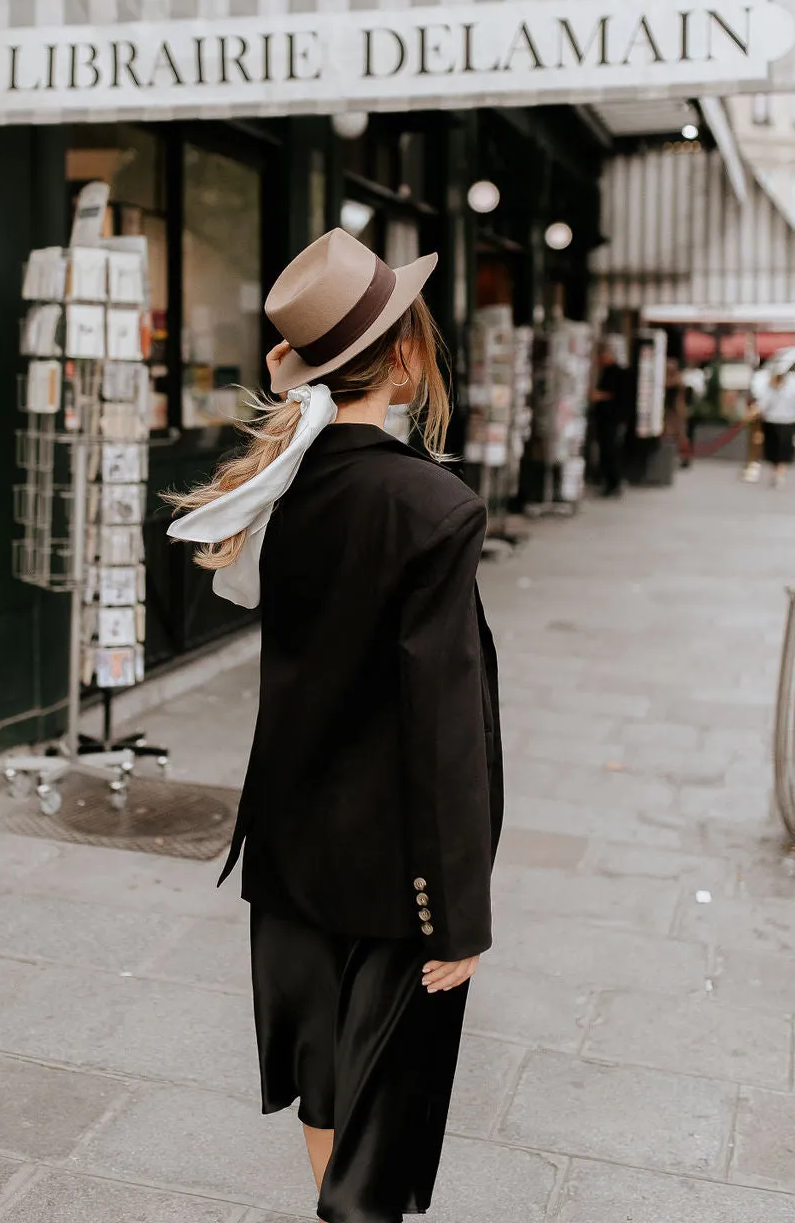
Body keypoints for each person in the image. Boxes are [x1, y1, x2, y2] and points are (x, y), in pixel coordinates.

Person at [166, 229, 503, 1223]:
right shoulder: (432, 507)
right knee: (376, 1147)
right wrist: (460, 912)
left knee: (325, 1088)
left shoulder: (279, 490)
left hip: (290, 851)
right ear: (406, 356)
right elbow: (443, 728)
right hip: (395, 875)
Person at [757, 363, 795, 487]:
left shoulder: (794, 384)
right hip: (774, 419)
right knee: (775, 448)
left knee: (783, 449)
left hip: (787, 420)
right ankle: (776, 471)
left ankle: (779, 473)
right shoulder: (770, 385)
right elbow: (764, 402)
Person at [591, 342, 629, 496]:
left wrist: (598, 396)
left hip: (611, 418)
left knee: (610, 450)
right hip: (606, 418)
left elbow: (615, 395)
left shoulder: (617, 373)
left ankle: (613, 482)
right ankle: (609, 481)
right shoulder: (607, 372)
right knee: (607, 450)